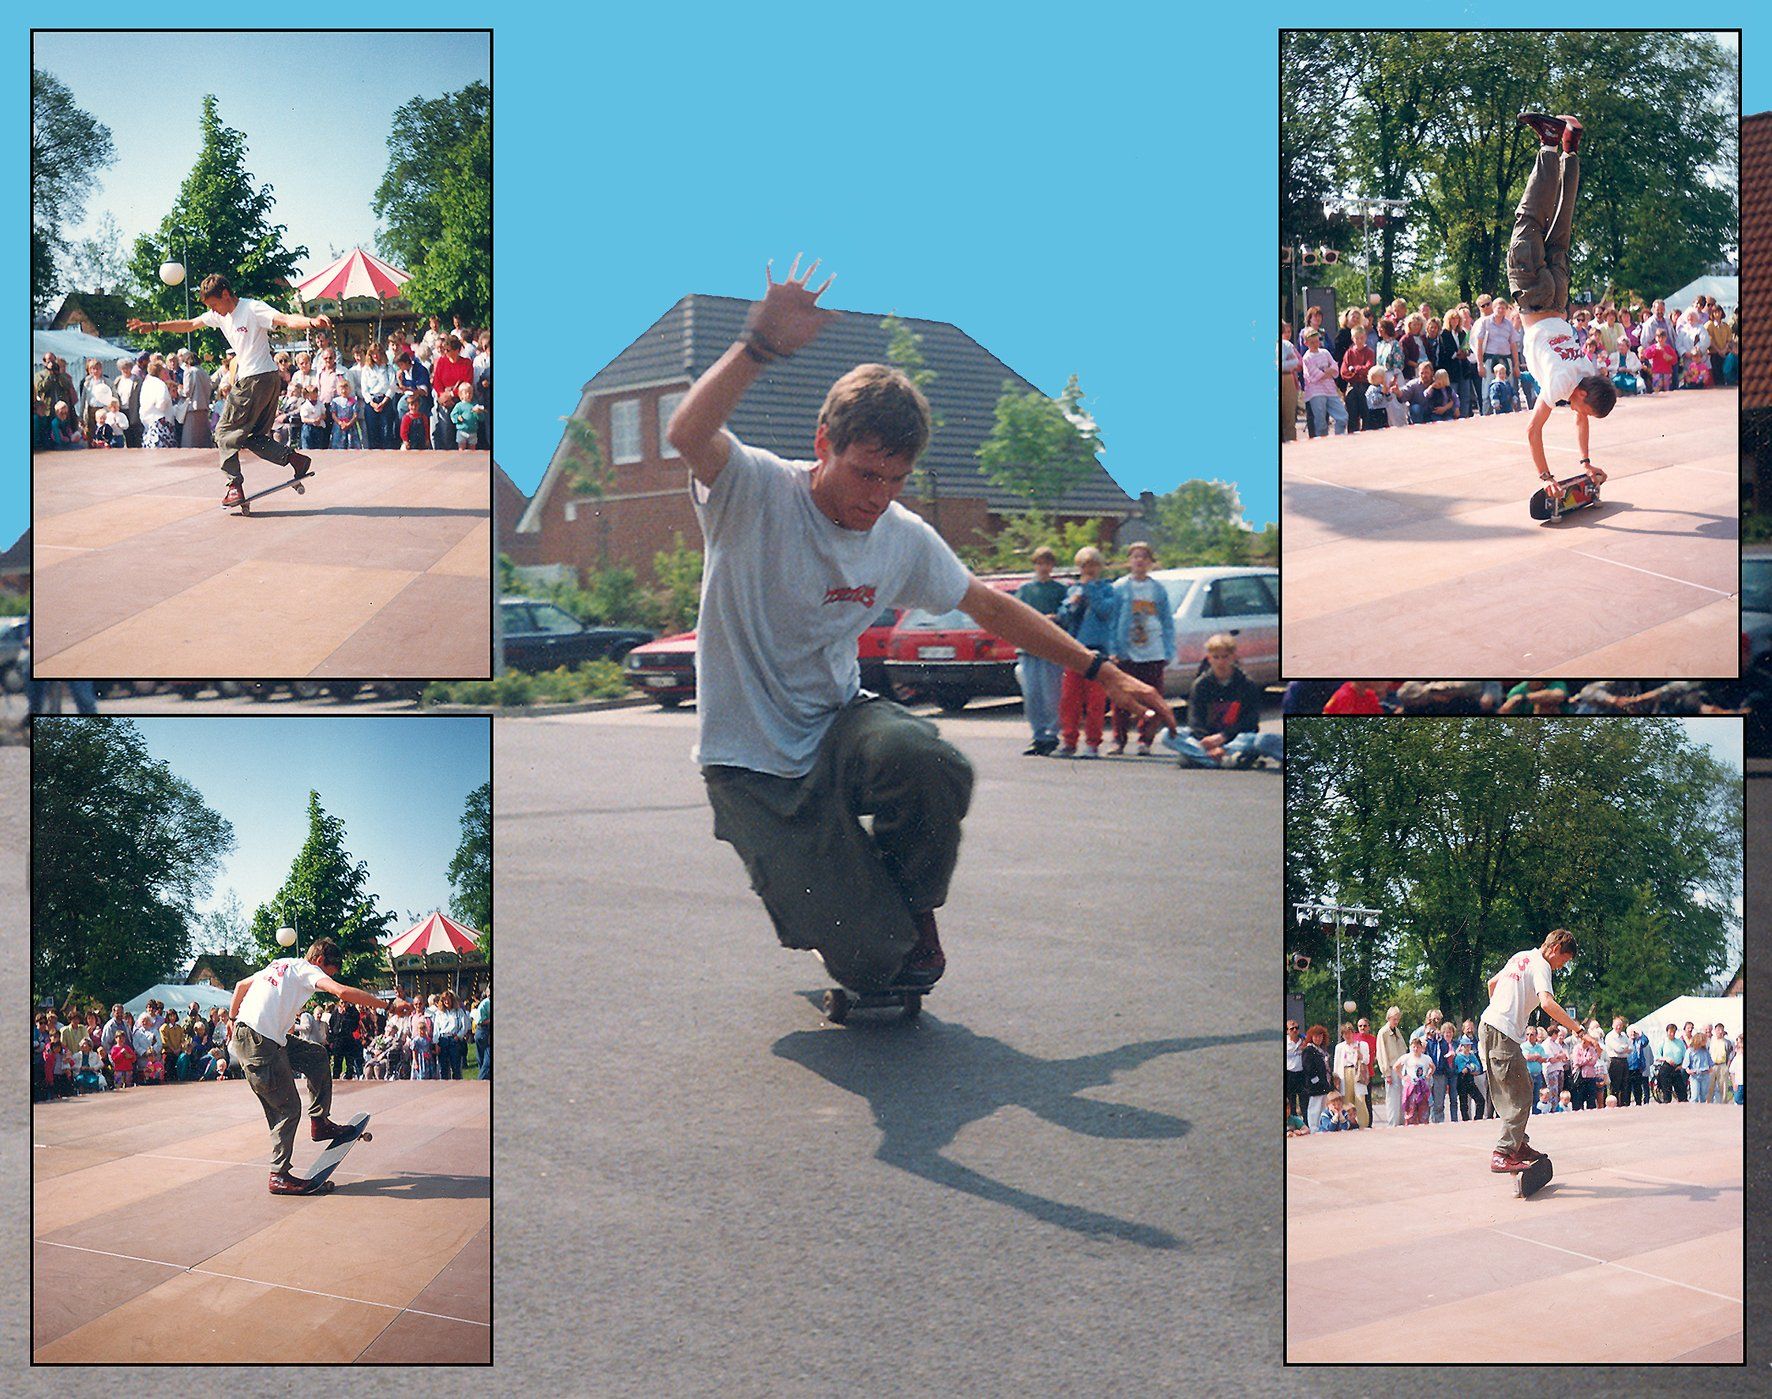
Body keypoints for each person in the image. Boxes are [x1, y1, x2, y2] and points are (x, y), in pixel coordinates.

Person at [663, 255, 1174, 995]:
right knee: (875, 964)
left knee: (929, 760)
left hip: (838, 726)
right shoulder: (753, 489)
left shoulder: (901, 534)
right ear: (822, 444)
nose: (878, 497)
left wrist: (1104, 669)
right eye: (865, 474)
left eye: (896, 480)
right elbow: (687, 432)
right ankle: (859, 920)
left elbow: (991, 606)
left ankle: (913, 903)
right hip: (748, 762)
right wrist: (758, 346)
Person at [128, 273, 330, 508]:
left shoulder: (252, 308)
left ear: (225, 294)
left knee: (223, 433)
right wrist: (154, 326)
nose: (214, 311)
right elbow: (191, 324)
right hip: (268, 381)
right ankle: (295, 459)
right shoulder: (218, 315)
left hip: (254, 380)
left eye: (215, 304)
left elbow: (284, 319)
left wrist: (312, 322)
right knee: (253, 438)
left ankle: (234, 486)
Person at [1510, 113, 1616, 502]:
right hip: (1535, 296)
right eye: (1585, 411)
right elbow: (1532, 431)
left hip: (1559, 298)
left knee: (1561, 222)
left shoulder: (1588, 372)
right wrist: (1545, 476)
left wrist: (1586, 461)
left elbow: (1581, 418)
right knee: (1531, 217)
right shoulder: (1560, 384)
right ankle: (1551, 144)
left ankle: (1570, 150)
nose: (1581, 416)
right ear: (1585, 397)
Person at [227, 937, 386, 1195]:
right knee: (287, 1108)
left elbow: (240, 986)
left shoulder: (278, 964)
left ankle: (320, 1122)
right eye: (329, 973)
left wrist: (233, 1019)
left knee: (316, 1055)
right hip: (259, 1043)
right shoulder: (308, 969)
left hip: (267, 1038)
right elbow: (342, 992)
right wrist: (386, 1005)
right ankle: (278, 1175)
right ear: (320, 961)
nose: (324, 981)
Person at [1478, 928, 1597, 1173]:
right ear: (1554, 949)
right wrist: (1579, 1030)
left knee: (1512, 1092)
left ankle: (1518, 1144)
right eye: (1562, 961)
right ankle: (1503, 1152)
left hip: (1488, 1025)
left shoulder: (1520, 957)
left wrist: (1501, 1010)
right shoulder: (1541, 964)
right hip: (1503, 1033)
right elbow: (1547, 1003)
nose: (1560, 967)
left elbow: (1492, 984)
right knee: (1522, 1094)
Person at [1167, 633, 1282, 768]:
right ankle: (1226, 760)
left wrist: (1223, 737)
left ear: (1233, 657)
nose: (1221, 662)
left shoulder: (1246, 684)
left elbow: (1250, 721)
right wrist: (1208, 742)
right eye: (1216, 657)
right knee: (1167, 735)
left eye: (1225, 657)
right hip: (1207, 739)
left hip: (1236, 738)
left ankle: (1203, 758)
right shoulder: (1201, 685)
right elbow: (1195, 719)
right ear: (1209, 658)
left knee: (1260, 740)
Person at [1108, 543, 1175, 756]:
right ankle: (1118, 740)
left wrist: (1169, 650)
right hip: (1127, 651)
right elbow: (1112, 620)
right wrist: (1113, 649)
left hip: (1153, 650)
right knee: (1122, 698)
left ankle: (1145, 740)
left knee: (1152, 697)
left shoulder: (1157, 589)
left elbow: (1166, 621)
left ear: (1150, 562)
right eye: (1135, 557)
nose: (1139, 561)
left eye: (1144, 557)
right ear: (1129, 560)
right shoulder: (1119, 587)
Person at [1056, 546, 1118, 758]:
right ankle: (1069, 741)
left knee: (1095, 701)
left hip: (1097, 650)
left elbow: (1105, 611)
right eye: (1084, 566)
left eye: (1092, 565)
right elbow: (1063, 617)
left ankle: (1093, 743)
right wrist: (1071, 604)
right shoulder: (1072, 590)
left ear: (1100, 567)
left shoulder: (1108, 589)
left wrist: (1090, 590)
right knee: (1069, 699)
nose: (1089, 570)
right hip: (1074, 650)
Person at [1014, 547, 1068, 756]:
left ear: (1052, 566)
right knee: (1032, 694)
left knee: (1051, 694)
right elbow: (1016, 612)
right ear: (1034, 565)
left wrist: (1056, 617)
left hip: (1051, 649)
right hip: (1029, 648)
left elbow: (1066, 612)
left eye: (1047, 563)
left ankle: (1052, 734)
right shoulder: (1026, 589)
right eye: (1039, 563)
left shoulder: (1059, 589)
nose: (1043, 567)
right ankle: (1038, 735)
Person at [1333, 1022, 1371, 1128]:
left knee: (1360, 1100)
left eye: (1349, 1033)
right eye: (1345, 1034)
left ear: (1353, 1033)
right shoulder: (1339, 1047)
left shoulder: (1362, 1044)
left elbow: (1367, 1061)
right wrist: (1336, 1081)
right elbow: (1336, 1064)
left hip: (1357, 1073)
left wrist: (1360, 1055)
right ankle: (1348, 1124)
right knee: (1346, 1100)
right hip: (1344, 1074)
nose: (1347, 1036)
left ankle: (1363, 1124)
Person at [1376, 1006, 1409, 1128]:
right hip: (1391, 1068)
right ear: (1388, 1018)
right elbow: (1381, 1054)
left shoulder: (1397, 1031)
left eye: (1397, 1019)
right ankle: (1392, 1123)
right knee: (1392, 1098)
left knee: (1402, 1096)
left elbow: (1403, 1049)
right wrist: (1386, 1073)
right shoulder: (1383, 1033)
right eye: (1394, 1019)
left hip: (1401, 1068)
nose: (1396, 1021)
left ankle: (1400, 1122)